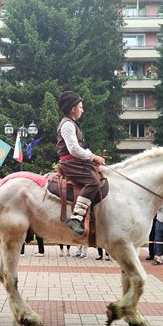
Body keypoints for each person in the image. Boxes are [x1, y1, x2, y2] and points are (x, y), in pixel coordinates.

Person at [56, 91, 105, 234]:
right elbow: (73, 149)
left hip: (76, 162)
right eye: (81, 107)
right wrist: (93, 156)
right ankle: (76, 217)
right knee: (94, 182)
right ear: (73, 108)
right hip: (71, 163)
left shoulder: (72, 124)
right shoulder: (67, 125)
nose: (82, 110)